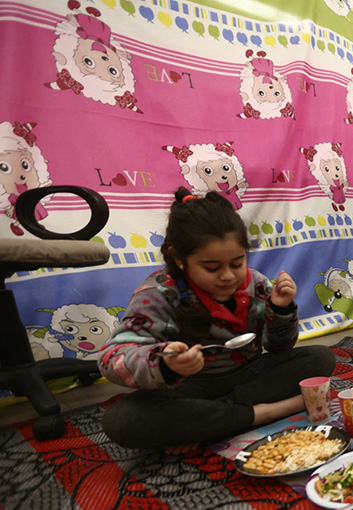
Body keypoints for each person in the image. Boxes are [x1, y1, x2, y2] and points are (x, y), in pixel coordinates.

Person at [99, 188, 337, 451]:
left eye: (237, 264)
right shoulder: (158, 293)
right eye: (212, 268)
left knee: (320, 358)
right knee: (121, 421)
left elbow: (279, 348)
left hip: (247, 377)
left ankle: (213, 421)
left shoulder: (257, 285)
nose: (227, 276)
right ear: (179, 259)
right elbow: (112, 358)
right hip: (191, 386)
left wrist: (280, 310)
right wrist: (164, 362)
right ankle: (268, 412)